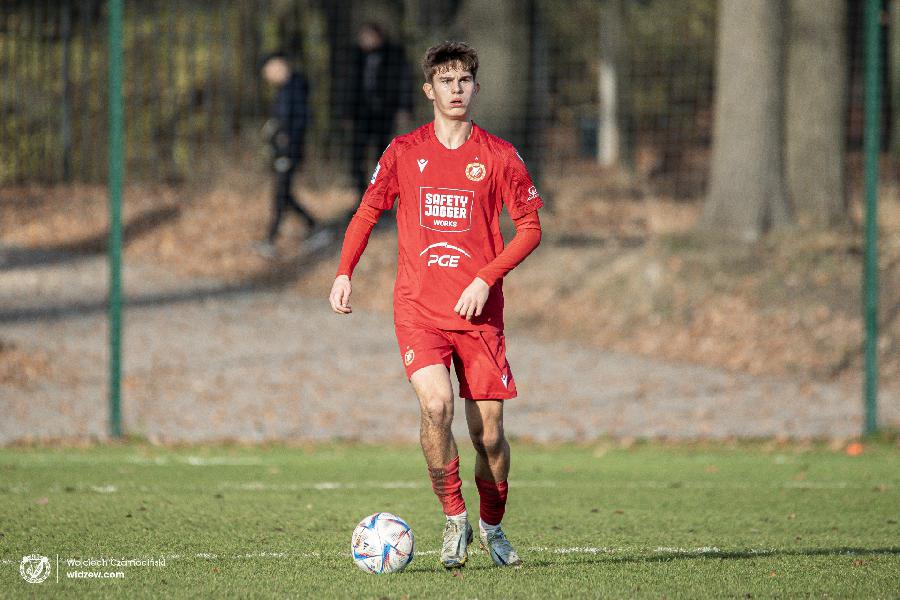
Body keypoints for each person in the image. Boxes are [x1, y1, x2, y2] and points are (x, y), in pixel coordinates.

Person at [329, 41, 543, 569]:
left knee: (488, 437)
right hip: (418, 309)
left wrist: (485, 279)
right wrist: (344, 272)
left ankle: (492, 526)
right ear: (429, 90)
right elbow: (366, 212)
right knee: (435, 407)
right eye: (445, 81)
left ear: (476, 88)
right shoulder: (404, 151)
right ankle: (454, 518)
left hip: (478, 316)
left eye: (464, 80)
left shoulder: (499, 156)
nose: (456, 89)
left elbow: (530, 229)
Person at [257, 52, 323, 257]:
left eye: (268, 71)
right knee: (283, 194)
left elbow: (299, 120)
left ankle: (272, 239)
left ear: (279, 65)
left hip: (289, 151)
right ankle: (311, 227)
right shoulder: (285, 90)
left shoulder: (295, 88)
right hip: (283, 150)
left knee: (281, 194)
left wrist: (286, 139)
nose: (267, 76)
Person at [347, 22, 413, 199]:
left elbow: (404, 83)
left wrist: (404, 107)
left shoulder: (395, 55)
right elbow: (348, 85)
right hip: (361, 115)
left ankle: (381, 198)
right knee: (357, 157)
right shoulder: (355, 57)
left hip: (384, 114)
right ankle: (362, 197)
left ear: (378, 37)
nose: (364, 41)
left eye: (368, 37)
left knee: (383, 157)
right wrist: (347, 112)